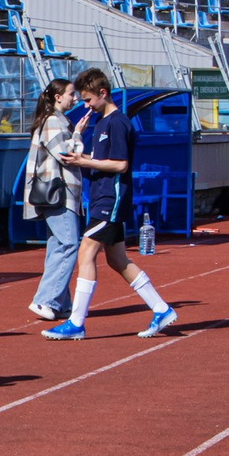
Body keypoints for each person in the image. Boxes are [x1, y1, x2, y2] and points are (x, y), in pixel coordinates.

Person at [42, 69, 177, 340]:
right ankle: (161, 309)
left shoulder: (118, 122)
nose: (85, 106)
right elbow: (102, 159)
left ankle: (76, 322)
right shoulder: (102, 123)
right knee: (118, 260)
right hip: (101, 197)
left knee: (85, 253)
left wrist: (84, 162)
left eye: (89, 100)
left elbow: (120, 164)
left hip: (110, 199)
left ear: (103, 93)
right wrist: (83, 156)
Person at [20, 79, 83, 322]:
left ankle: (61, 303)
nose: (74, 98)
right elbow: (67, 155)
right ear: (57, 97)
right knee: (68, 245)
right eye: (71, 94)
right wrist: (78, 133)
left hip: (59, 193)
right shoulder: (54, 121)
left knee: (57, 246)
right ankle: (45, 300)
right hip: (59, 192)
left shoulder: (53, 120)